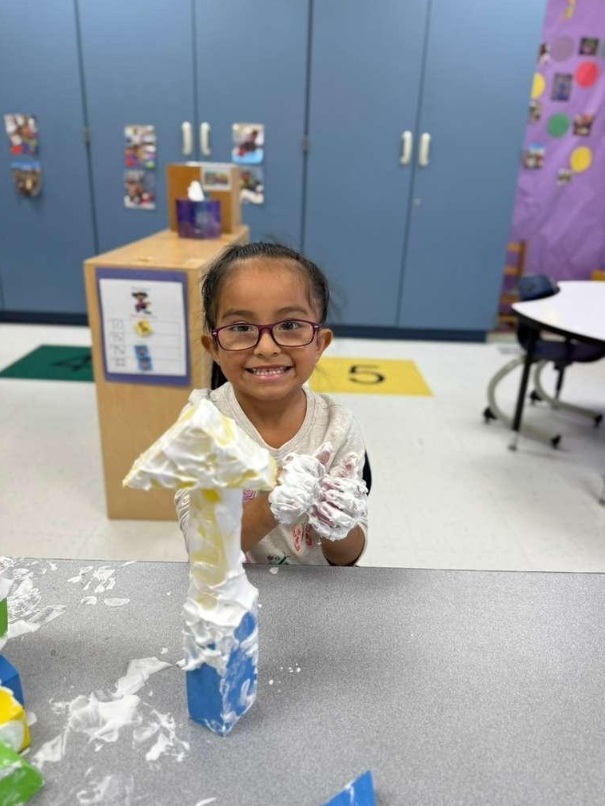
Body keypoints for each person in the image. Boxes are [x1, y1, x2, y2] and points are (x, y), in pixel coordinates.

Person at [176, 242, 368, 566]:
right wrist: (273, 502)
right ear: (214, 347)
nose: (266, 347)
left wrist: (337, 523)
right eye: (241, 328)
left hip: (317, 596)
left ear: (320, 344)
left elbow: (348, 558)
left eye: (290, 326)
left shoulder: (337, 427)